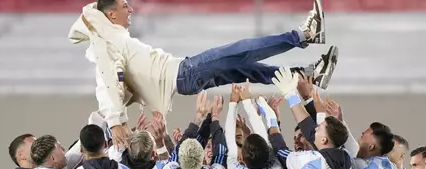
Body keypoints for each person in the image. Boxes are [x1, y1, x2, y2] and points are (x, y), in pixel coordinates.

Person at [68, 0, 338, 143]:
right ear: (111, 15)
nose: (131, 9)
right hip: (184, 73)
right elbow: (106, 80)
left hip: (184, 80)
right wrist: (116, 120)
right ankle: (304, 34)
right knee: (241, 52)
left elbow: (94, 17)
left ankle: (306, 74)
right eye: (124, 5)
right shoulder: (106, 42)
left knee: (244, 68)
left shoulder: (109, 35)